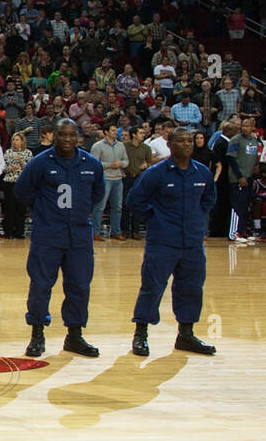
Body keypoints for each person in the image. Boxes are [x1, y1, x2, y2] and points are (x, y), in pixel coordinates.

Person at [14, 118, 106, 357]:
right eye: (62, 135)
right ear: (53, 135)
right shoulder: (40, 163)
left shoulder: (91, 163)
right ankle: (37, 335)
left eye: (71, 135)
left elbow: (97, 193)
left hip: (79, 235)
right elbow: (22, 191)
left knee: (79, 286)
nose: (67, 139)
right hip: (48, 234)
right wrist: (44, 211)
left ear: (78, 137)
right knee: (41, 285)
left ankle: (74, 336)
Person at [126, 127, 218, 357]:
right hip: (163, 242)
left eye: (189, 141)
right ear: (170, 144)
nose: (186, 144)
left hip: (192, 243)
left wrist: (195, 219)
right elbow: (134, 201)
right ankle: (141, 335)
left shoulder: (202, 172)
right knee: (152, 287)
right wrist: (154, 218)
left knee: (191, 289)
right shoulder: (156, 173)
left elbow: (208, 200)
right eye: (181, 141)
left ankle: (186, 335)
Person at [224, 116, 261, 243]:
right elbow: (232, 159)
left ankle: (243, 231)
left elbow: (254, 157)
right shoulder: (235, 140)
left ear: (252, 128)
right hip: (237, 178)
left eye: (247, 126)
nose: (244, 128)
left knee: (246, 205)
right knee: (237, 205)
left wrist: (255, 167)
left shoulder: (255, 141)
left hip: (249, 177)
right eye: (243, 126)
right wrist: (240, 176)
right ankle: (233, 233)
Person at [90, 127, 129, 241]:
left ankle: (116, 231)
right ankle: (96, 232)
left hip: (118, 179)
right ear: (106, 132)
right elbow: (94, 164)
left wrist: (120, 163)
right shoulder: (97, 146)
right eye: (112, 130)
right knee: (99, 207)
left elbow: (126, 161)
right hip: (104, 179)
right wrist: (109, 165)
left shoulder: (121, 145)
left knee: (117, 207)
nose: (115, 132)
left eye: (116, 131)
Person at [1, 131, 32, 238]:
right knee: (10, 208)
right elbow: (3, 168)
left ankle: (19, 232)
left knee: (21, 208)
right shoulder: (8, 152)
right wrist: (11, 168)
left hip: (22, 183)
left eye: (17, 139)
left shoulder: (28, 153)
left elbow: (29, 169)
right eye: (13, 139)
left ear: (22, 141)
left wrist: (21, 162)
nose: (15, 142)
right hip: (9, 182)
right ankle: (8, 232)